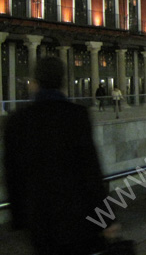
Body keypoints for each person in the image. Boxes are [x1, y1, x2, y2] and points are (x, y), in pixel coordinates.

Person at [3, 56, 119, 255]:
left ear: (35, 83)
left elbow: (12, 175)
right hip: (76, 219)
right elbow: (91, 171)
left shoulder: (17, 121)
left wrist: (19, 220)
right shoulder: (76, 116)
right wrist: (106, 218)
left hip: (39, 221)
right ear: (62, 82)